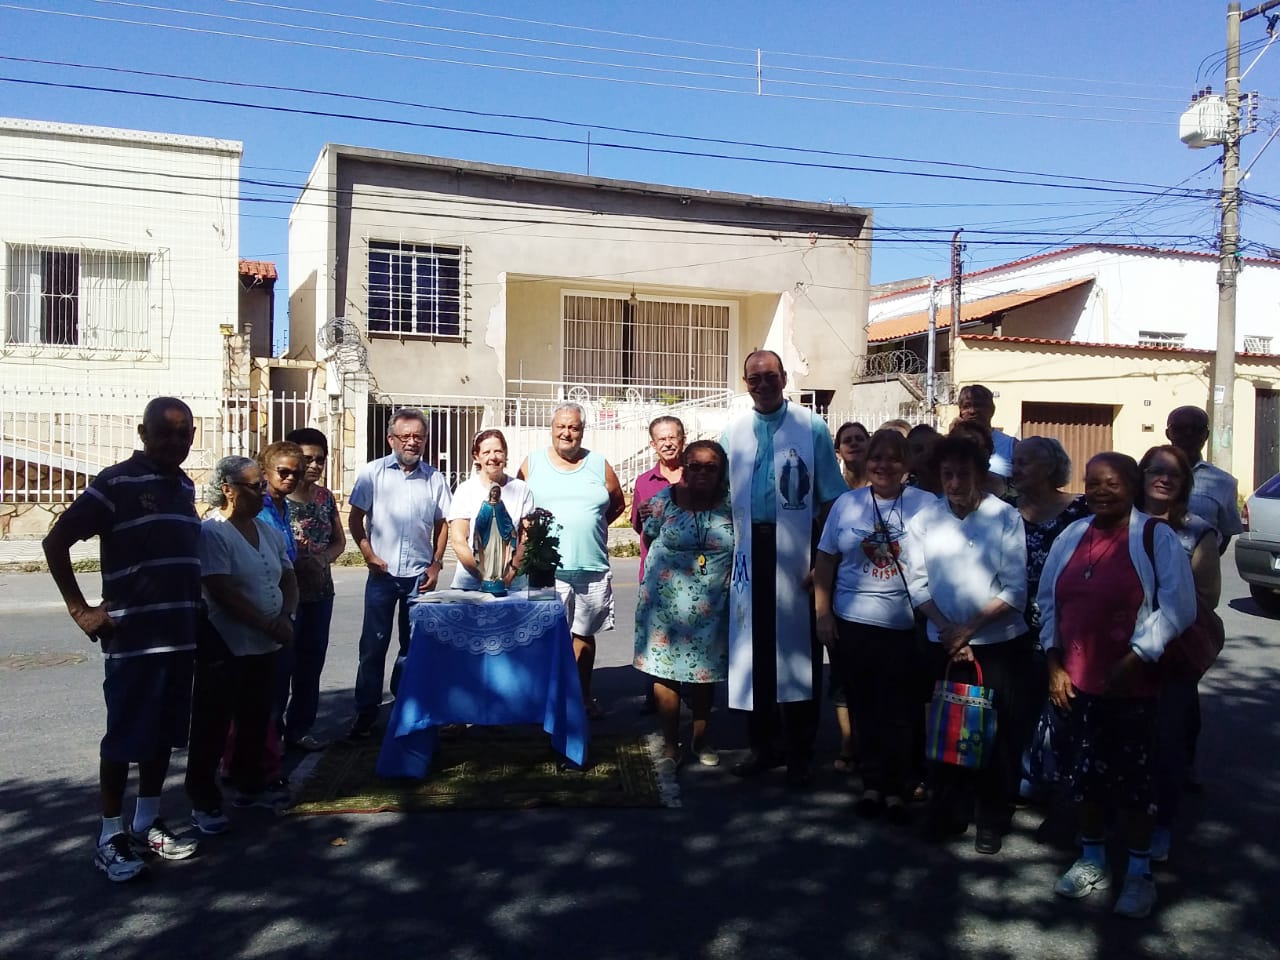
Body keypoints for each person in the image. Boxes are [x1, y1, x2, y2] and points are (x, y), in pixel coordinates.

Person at [42, 397, 203, 881]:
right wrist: (80, 609)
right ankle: (109, 834)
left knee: (161, 739)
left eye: (184, 433)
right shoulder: (115, 483)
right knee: (124, 739)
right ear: (143, 432)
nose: (175, 441)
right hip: (134, 638)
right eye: (165, 432)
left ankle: (147, 822)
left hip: (179, 637)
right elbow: (56, 541)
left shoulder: (184, 485)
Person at [1039, 452, 1195, 919]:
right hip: (1074, 683)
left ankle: (1140, 874)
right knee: (1084, 778)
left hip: (1133, 688)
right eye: (1092, 482)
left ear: (1133, 485)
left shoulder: (1154, 536)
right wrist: (1053, 664)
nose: (1100, 491)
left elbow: (1178, 608)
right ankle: (1092, 859)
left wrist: (1135, 658)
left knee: (1134, 785)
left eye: (1111, 482)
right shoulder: (1071, 535)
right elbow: (1048, 601)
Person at [722, 349, 845, 787]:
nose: (763, 383)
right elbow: (721, 497)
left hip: (797, 547)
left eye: (770, 376)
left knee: (798, 654)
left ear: (785, 378)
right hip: (747, 548)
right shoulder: (732, 431)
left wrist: (824, 559)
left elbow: (831, 496)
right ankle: (762, 746)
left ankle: (800, 752)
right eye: (754, 377)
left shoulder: (811, 427)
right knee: (753, 652)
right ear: (745, 381)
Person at [906, 434, 1028, 854]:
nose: (955, 482)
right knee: (945, 732)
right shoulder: (925, 519)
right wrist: (948, 631)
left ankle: (990, 817)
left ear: (980, 474)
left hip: (996, 645)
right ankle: (946, 812)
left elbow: (1015, 591)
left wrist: (969, 630)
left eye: (963, 473)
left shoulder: (1004, 517)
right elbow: (917, 583)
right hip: (942, 642)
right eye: (947, 475)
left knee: (993, 734)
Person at [814, 429, 934, 821]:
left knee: (903, 710)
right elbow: (826, 562)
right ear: (867, 463)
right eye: (877, 458)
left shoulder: (926, 505)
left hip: (906, 626)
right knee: (864, 708)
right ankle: (872, 783)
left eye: (894, 458)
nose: (884, 465)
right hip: (855, 624)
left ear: (907, 465)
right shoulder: (846, 506)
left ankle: (901, 785)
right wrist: (823, 613)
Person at [187, 456, 298, 828]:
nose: (261, 492)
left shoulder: (268, 532)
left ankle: (251, 784)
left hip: (264, 643)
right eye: (253, 486)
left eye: (260, 485)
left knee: (255, 716)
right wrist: (267, 623)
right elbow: (222, 590)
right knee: (213, 723)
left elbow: (287, 577)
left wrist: (284, 617)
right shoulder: (214, 532)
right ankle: (204, 800)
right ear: (228, 489)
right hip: (226, 643)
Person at [1136, 444, 1221, 863]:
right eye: (1156, 470)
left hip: (1172, 655)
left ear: (1186, 483)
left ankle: (1161, 823)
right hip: (1117, 654)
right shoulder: (1119, 522)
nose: (1164, 478)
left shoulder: (1198, 532)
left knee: (1166, 740)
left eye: (1174, 473)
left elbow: (1206, 600)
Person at [348, 408, 452, 739]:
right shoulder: (372, 473)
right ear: (391, 438)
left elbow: (442, 524)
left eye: (418, 436)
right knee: (373, 646)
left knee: (412, 648)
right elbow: (355, 519)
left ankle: (402, 707)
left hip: (419, 577)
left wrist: (436, 562)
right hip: (382, 574)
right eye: (405, 436)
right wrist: (368, 555)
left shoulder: (435, 478)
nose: (412, 442)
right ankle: (365, 712)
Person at [519, 402, 626, 716]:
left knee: (583, 636)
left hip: (590, 565)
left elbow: (617, 503)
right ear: (552, 429)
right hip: (543, 569)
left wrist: (590, 524)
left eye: (574, 427)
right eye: (561, 427)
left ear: (582, 430)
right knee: (541, 638)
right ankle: (541, 701)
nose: (567, 433)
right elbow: (516, 504)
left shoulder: (598, 464)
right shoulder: (532, 463)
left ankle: (581, 698)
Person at [634, 440, 734, 770]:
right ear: (684, 468)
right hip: (664, 604)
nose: (702, 473)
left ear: (721, 470)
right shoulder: (663, 501)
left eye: (711, 467)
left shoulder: (732, 505)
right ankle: (669, 741)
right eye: (695, 466)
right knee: (665, 672)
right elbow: (648, 537)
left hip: (712, 603)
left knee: (705, 674)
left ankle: (701, 737)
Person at [1011, 436, 1089, 800]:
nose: (1016, 468)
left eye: (1025, 461)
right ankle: (1027, 773)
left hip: (1064, 625)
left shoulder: (1081, 511)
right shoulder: (1007, 509)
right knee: (1021, 702)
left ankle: (1065, 780)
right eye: (1016, 461)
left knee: (1062, 705)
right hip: (1014, 625)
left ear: (1049, 468)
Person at [280, 427, 346, 752]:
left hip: (320, 594)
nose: (314, 465)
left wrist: (323, 559)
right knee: (280, 667)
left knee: (310, 664)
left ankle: (300, 729)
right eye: (308, 458)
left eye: (320, 459)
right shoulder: (274, 498)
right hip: (283, 598)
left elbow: (339, 541)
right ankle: (270, 735)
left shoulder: (325, 498)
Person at [829, 420, 871, 773]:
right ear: (838, 450)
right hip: (841, 594)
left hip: (881, 598)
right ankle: (848, 743)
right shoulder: (832, 491)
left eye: (860, 438)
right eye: (847, 440)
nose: (854, 444)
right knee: (842, 673)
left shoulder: (890, 488)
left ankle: (873, 742)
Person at [449, 429, 534, 592]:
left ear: (505, 454)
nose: (493, 457)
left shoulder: (521, 489)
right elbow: (458, 541)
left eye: (498, 451)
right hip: (471, 582)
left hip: (512, 582)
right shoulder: (465, 490)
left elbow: (527, 537)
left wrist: (511, 573)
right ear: (476, 456)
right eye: (486, 452)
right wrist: (485, 575)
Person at [1165, 405, 1243, 555]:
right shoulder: (1145, 473)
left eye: (1196, 429)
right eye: (1180, 428)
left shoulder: (1224, 482)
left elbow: (1225, 534)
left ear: (1206, 435)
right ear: (1168, 433)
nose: (1188, 434)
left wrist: (1204, 562)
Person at [631, 416, 686, 581]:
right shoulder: (644, 482)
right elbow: (638, 526)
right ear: (653, 445)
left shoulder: (697, 477)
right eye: (661, 439)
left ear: (683, 440)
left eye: (672, 438)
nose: (667, 443)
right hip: (655, 573)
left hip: (691, 573)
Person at [958, 384, 1017, 480]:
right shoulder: (950, 445)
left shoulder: (1011, 446)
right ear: (960, 412)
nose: (972, 411)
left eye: (978, 405)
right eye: (966, 406)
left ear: (992, 410)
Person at [257, 441, 303, 563]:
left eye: (296, 473)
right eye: (284, 472)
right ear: (264, 473)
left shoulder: (283, 505)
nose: (291, 477)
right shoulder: (257, 508)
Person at [906, 424, 942, 495]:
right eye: (918, 449)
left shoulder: (958, 498)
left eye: (934, 448)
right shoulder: (904, 498)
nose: (926, 454)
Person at [834, 421, 871, 490]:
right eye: (847, 441)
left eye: (859, 439)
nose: (854, 443)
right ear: (838, 453)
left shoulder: (882, 485)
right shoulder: (834, 489)